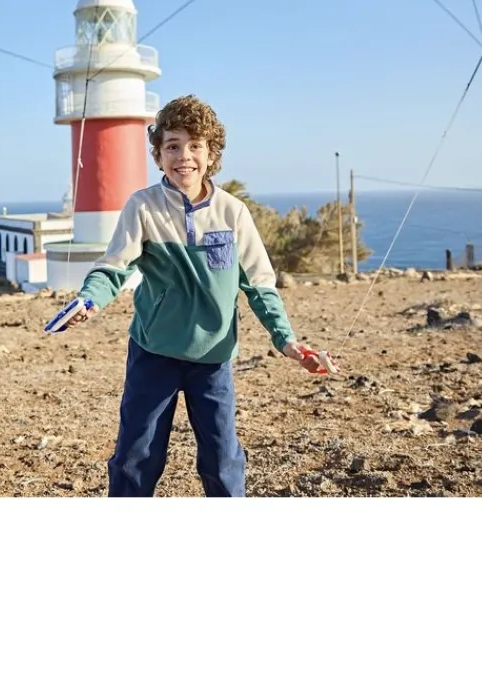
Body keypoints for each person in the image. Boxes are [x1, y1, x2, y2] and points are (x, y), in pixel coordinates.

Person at [61, 95, 324, 497]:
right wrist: (89, 300)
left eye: (195, 145)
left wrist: (286, 340)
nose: (184, 156)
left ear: (211, 154)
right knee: (135, 458)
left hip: (213, 358)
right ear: (158, 154)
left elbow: (260, 285)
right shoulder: (142, 206)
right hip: (154, 353)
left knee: (222, 460)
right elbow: (114, 267)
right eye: (172, 146)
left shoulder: (233, 212)